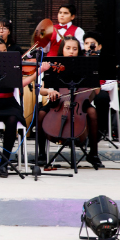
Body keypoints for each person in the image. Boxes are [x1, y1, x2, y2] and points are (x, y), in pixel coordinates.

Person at [0, 36, 52, 177]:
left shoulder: (12, 65)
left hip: (9, 102)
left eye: (5, 51)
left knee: (12, 119)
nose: (4, 54)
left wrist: (38, 71)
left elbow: (20, 83)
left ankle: (5, 161)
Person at [36, 36, 105, 169]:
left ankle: (94, 153)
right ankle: (41, 153)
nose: (71, 51)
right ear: (62, 50)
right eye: (68, 48)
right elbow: (42, 89)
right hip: (58, 101)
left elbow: (96, 91)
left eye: (75, 49)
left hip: (79, 101)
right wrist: (49, 92)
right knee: (40, 114)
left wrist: (94, 80)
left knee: (92, 112)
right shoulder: (55, 65)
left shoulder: (85, 65)